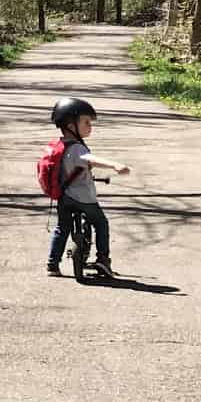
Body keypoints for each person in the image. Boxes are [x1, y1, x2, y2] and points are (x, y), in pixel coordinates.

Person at [46, 96, 130, 277]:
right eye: (86, 122)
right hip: (83, 198)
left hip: (64, 197)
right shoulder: (78, 148)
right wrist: (114, 165)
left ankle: (53, 264)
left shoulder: (60, 146)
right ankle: (103, 260)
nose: (90, 126)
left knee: (62, 228)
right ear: (70, 125)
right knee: (101, 223)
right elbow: (90, 159)